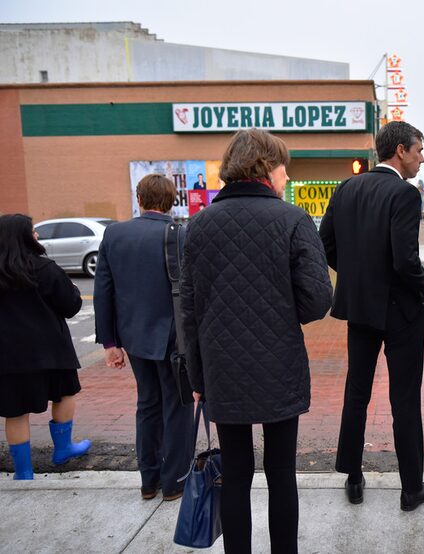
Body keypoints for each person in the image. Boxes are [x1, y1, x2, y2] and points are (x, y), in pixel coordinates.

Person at [180, 128, 331, 554]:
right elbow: (318, 299)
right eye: (283, 166)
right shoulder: (293, 220)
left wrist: (197, 375)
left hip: (221, 368)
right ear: (266, 167)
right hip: (278, 363)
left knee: (237, 471)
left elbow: (188, 310)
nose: (287, 176)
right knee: (281, 470)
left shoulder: (200, 225)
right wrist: (283, 311)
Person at [319, 121, 424, 512]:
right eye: (419, 150)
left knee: (357, 391)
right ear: (401, 150)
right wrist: (422, 286)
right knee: (404, 398)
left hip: (359, 307)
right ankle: (411, 488)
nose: (422, 158)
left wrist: (355, 276)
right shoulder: (405, 194)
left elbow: (326, 246)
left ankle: (353, 477)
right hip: (400, 309)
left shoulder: (346, 188)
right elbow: (405, 259)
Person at [94, 174, 194, 501]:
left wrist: (110, 343)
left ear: (139, 199)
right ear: (172, 201)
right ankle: (174, 482)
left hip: (134, 337)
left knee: (147, 404)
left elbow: (103, 291)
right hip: (173, 339)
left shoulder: (115, 234)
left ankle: (148, 481)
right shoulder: (180, 234)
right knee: (177, 407)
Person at [0, 214, 90, 479]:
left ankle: (24, 472)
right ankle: (63, 449)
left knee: (15, 412)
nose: (37, 235)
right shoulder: (44, 268)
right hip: (51, 350)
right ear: (24, 236)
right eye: (33, 231)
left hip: (8, 355)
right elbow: (71, 305)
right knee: (64, 394)